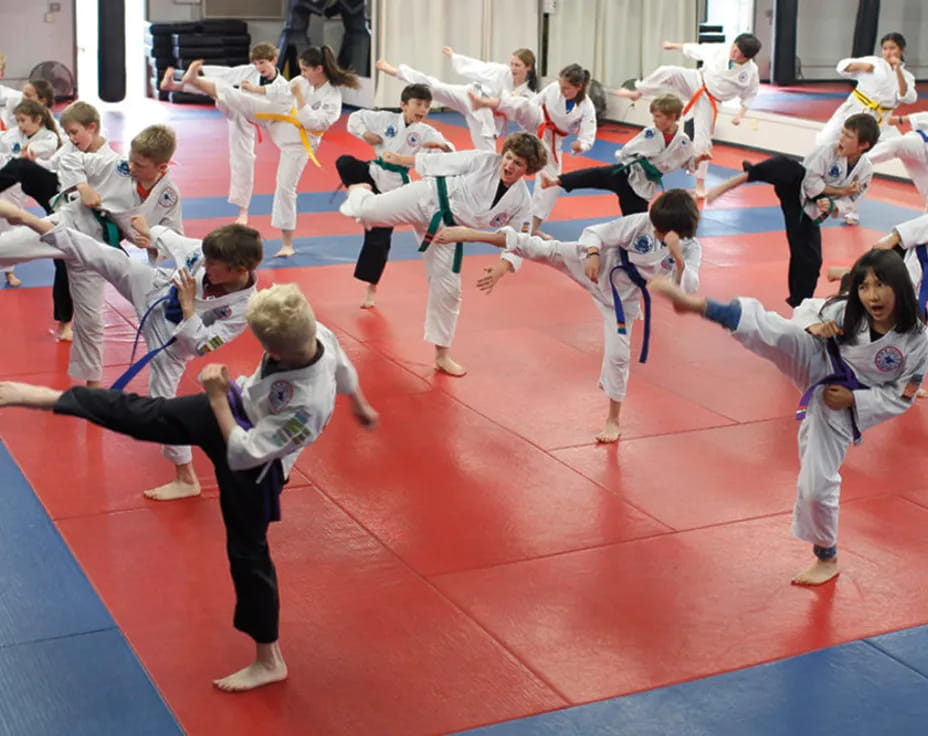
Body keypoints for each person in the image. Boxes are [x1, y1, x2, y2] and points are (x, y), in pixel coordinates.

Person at [0, 282, 379, 692]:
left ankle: (269, 660)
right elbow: (343, 368)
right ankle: (46, 398)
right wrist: (359, 403)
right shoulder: (315, 330)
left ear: (275, 351)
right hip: (238, 407)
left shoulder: (307, 406)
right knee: (149, 414)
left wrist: (217, 397)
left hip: (256, 464)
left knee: (248, 555)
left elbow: (243, 453)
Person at [650, 248, 928, 585]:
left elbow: (902, 396)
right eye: (864, 286)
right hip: (818, 360)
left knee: (815, 485)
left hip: (839, 403)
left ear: (900, 285)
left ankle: (826, 556)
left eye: (881, 285)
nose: (872, 295)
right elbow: (806, 309)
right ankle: (701, 306)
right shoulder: (845, 311)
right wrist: (815, 325)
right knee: (781, 333)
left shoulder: (917, 339)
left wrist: (854, 399)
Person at [0, 198, 263, 501]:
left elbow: (200, 345)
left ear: (239, 269)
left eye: (214, 266)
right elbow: (168, 236)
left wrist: (189, 308)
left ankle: (186, 477)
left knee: (163, 404)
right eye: (206, 259)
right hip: (155, 288)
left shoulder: (243, 309)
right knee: (101, 254)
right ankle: (25, 218)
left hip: (173, 338)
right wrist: (146, 230)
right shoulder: (205, 252)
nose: (206, 266)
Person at [434, 189, 701, 442]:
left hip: (623, 296)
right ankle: (470, 234)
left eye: (660, 230)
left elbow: (687, 289)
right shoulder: (642, 222)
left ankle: (613, 420)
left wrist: (678, 259)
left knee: (619, 355)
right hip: (599, 263)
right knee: (540, 248)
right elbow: (597, 232)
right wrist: (593, 254)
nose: (654, 231)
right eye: (654, 225)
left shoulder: (690, 249)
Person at [339, 131, 547, 376]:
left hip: (449, 230)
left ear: (528, 169)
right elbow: (444, 162)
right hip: (427, 197)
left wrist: (503, 266)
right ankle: (359, 189)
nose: (509, 165)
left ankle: (442, 355)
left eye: (518, 163)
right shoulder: (484, 160)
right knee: (368, 214)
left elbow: (520, 239)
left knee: (448, 289)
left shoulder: (522, 200)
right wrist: (402, 159)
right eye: (509, 158)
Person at [0, 124, 183, 387]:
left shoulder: (168, 196)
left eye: (140, 165)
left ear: (162, 167)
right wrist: (83, 185)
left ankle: (93, 385)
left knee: (91, 319)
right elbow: (73, 158)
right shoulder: (117, 165)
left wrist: (152, 241)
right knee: (6, 247)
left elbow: (174, 236)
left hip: (98, 248)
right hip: (69, 225)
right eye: (131, 159)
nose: (131, 167)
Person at [183, 45, 358, 257]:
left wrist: (300, 100)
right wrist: (258, 90)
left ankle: (287, 244)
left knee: (285, 187)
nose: (302, 74)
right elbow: (281, 90)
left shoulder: (332, 97)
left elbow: (317, 123)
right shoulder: (303, 82)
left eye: (305, 70)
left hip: (299, 142)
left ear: (319, 69)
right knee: (241, 99)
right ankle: (194, 81)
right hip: (279, 116)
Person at [706, 113, 879, 307]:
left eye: (848, 136)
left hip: (806, 211)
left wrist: (834, 206)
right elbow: (810, 182)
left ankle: (800, 304)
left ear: (863, 145)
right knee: (788, 168)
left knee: (810, 260)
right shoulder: (826, 151)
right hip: (796, 188)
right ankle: (738, 180)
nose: (841, 138)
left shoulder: (865, 170)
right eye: (843, 133)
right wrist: (839, 191)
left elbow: (853, 199)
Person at [0, 100, 112, 339]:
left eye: (74, 132)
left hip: (75, 213)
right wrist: (32, 159)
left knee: (63, 260)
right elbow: (52, 165)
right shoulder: (72, 146)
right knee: (21, 166)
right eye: (69, 132)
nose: (70, 138)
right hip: (55, 190)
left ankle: (64, 324)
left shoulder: (110, 161)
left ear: (92, 127)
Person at [337, 82, 453, 308]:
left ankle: (371, 288)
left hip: (395, 188)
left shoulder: (427, 132)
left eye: (427, 106)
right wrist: (366, 134)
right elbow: (354, 118)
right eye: (418, 104)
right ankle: (357, 190)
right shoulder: (386, 120)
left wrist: (443, 148)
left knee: (378, 240)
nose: (423, 109)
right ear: (403, 105)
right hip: (372, 172)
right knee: (345, 162)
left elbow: (449, 150)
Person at [615, 33, 761, 199]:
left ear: (747, 57)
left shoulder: (750, 72)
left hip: (710, 100)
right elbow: (698, 49)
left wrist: (740, 115)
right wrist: (674, 45)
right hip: (697, 80)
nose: (734, 53)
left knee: (703, 142)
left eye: (739, 53)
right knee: (668, 71)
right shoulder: (721, 50)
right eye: (735, 48)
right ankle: (638, 92)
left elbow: (751, 94)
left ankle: (700, 185)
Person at [160, 42, 288, 225]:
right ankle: (179, 84)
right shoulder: (250, 71)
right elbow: (227, 73)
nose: (259, 68)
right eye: (257, 63)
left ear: (274, 60)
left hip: (262, 116)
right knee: (223, 88)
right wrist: (200, 69)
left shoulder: (283, 85)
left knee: (228, 93)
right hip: (238, 114)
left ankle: (185, 83)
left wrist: (253, 90)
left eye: (263, 63)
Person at [470, 63, 597, 233]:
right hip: (537, 122)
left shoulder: (587, 107)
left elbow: (589, 134)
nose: (562, 91)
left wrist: (581, 145)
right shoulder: (553, 89)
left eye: (566, 88)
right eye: (561, 86)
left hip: (552, 141)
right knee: (524, 105)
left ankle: (533, 227)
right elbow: (534, 102)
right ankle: (487, 102)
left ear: (579, 87)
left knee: (551, 184)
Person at [540, 94, 709, 216]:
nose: (654, 120)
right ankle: (556, 181)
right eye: (654, 116)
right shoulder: (650, 133)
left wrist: (699, 159)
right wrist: (637, 161)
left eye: (658, 116)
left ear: (672, 117)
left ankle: (631, 253)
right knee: (595, 174)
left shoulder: (683, 141)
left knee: (634, 222)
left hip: (642, 188)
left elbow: (685, 162)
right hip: (626, 173)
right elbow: (627, 150)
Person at [816, 32, 917, 225]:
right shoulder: (874, 63)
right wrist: (861, 66)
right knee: (824, 141)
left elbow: (908, 97)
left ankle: (851, 210)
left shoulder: (906, 76)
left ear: (901, 50)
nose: (888, 52)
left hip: (879, 122)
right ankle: (813, 187)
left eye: (892, 48)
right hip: (853, 110)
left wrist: (897, 71)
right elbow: (842, 67)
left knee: (864, 164)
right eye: (885, 48)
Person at [0, 98, 60, 287]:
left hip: (22, 188)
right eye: (17, 120)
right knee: (5, 226)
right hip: (5, 181)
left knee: (8, 227)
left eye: (24, 120)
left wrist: (31, 150)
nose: (20, 125)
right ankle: (8, 272)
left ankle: (9, 272)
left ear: (38, 119)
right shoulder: (11, 136)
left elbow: (47, 148)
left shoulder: (49, 137)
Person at [866, 111, 928, 211]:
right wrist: (898, 120)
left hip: (923, 161)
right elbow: (894, 121)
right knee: (895, 145)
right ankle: (857, 161)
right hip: (919, 143)